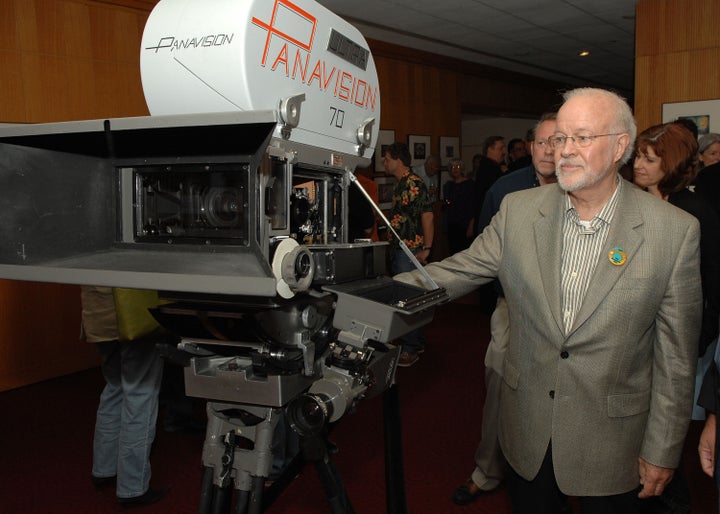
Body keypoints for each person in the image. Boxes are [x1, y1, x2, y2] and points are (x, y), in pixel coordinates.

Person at [397, 87, 702, 513]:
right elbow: (456, 271)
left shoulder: (673, 231)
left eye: (581, 137)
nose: (565, 151)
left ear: (619, 147)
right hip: (529, 431)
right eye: (559, 138)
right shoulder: (519, 210)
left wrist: (664, 449)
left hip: (615, 441)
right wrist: (378, 296)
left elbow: (677, 359)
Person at [452, 112, 558, 506]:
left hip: (568, 318)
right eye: (542, 142)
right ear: (530, 147)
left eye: (557, 141)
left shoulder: (580, 189)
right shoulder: (505, 190)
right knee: (500, 383)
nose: (549, 150)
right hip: (512, 307)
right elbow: (482, 254)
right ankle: (488, 471)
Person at [633, 122, 720, 513]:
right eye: (638, 156)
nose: (639, 165)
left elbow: (712, 286)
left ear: (674, 163)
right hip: (636, 342)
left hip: (679, 345)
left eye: (650, 160)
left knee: (666, 435)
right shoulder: (633, 204)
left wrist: (694, 344)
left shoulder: (696, 211)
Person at [81, 286, 169, 506]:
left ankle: (104, 469)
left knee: (114, 387)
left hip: (97, 313)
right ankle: (133, 487)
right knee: (140, 392)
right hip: (132, 312)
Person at [383, 142, 433, 367]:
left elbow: (428, 216)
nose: (384, 163)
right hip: (400, 250)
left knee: (408, 300)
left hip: (410, 251)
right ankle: (416, 341)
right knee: (409, 298)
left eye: (386, 158)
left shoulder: (414, 183)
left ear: (398, 160)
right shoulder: (401, 184)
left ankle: (411, 348)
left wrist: (428, 248)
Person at [442, 158, 476, 254]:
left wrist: (471, 226)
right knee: (453, 253)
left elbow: (473, 206)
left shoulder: (469, 184)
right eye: (452, 167)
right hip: (452, 225)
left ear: (462, 168)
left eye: (457, 166)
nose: (455, 169)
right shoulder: (449, 186)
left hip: (464, 225)